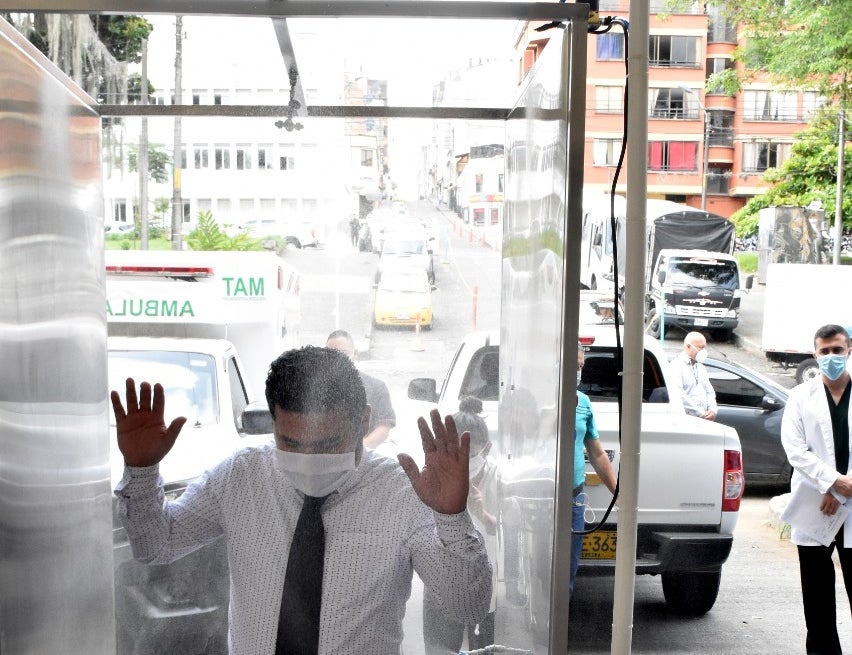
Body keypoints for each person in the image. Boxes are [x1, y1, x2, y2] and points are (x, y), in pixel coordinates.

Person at [111, 346, 491, 655]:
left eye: (327, 445)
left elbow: (468, 605)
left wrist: (452, 518)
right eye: (290, 444)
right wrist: (142, 472)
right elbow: (155, 546)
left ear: (364, 423)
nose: (308, 459)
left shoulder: (404, 494)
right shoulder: (241, 477)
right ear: (273, 423)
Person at [422, 396, 520, 653]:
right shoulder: (432, 476)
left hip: (483, 584)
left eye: (470, 455)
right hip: (441, 582)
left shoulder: (500, 479)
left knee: (485, 648)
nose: (461, 463)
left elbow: (512, 532)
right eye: (454, 454)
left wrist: (482, 513)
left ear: (487, 449)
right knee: (441, 648)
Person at [781, 324, 852, 655]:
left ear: (849, 350)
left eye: (837, 350)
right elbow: (795, 449)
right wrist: (833, 482)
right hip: (814, 504)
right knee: (818, 599)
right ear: (815, 355)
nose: (831, 357)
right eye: (825, 352)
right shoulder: (800, 396)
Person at [572, 342, 618, 596]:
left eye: (580, 367)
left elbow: (597, 453)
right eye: (574, 366)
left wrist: (617, 492)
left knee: (568, 566)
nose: (578, 372)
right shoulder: (541, 400)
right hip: (542, 498)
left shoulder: (584, 403)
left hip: (574, 498)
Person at [326, 329, 396, 449]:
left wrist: (361, 449)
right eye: (331, 353)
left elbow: (384, 426)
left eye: (344, 353)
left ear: (355, 353)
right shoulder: (312, 387)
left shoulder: (376, 387)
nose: (337, 358)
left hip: (362, 459)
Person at [670, 331, 717, 421]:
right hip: (687, 419)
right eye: (700, 348)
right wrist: (701, 413)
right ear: (688, 346)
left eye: (704, 348)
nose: (703, 351)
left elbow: (709, 391)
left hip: (704, 418)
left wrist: (712, 410)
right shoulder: (676, 366)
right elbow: (680, 395)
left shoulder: (700, 367)